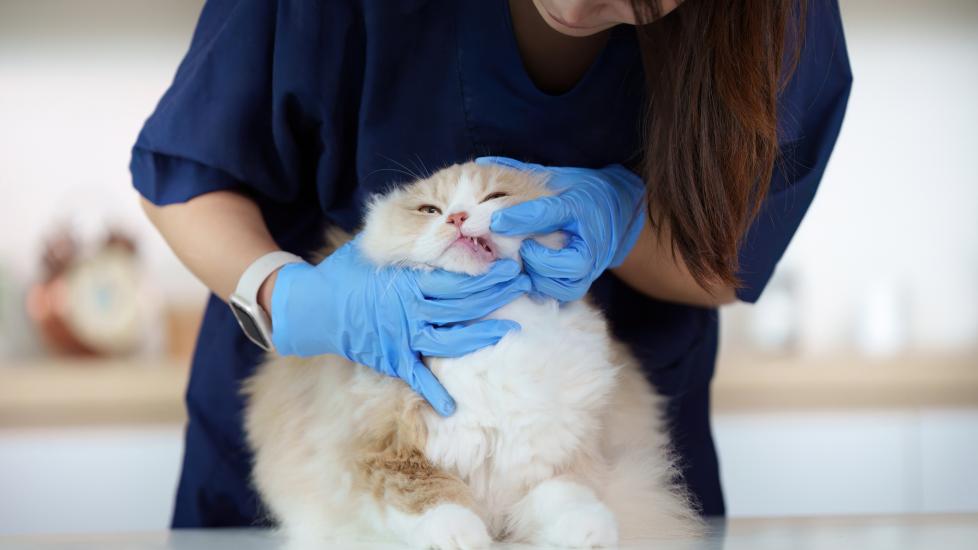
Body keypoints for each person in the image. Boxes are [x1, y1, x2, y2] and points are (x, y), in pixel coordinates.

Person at [132, 0, 851, 527]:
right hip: (326, 443)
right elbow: (187, 175)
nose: (577, 7)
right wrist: (289, 297)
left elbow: (729, 260)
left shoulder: (775, 20)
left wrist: (622, 222)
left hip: (589, 458)